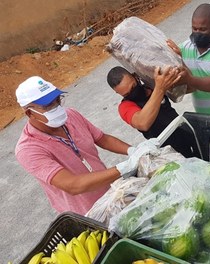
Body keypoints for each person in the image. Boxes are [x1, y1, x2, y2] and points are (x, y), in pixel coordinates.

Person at [14, 76, 158, 215]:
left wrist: (132, 150)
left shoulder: (70, 115)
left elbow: (102, 138)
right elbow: (73, 185)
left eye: (57, 100)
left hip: (112, 193)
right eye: (48, 105)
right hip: (89, 212)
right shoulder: (28, 149)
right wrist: (124, 167)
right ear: (29, 113)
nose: (57, 107)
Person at [106, 65, 200, 158]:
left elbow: (189, 89)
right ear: (118, 94)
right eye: (127, 94)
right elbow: (142, 123)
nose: (133, 93)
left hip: (185, 133)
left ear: (135, 76)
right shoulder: (125, 106)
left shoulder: (151, 85)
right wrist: (160, 89)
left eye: (133, 86)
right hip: (167, 151)